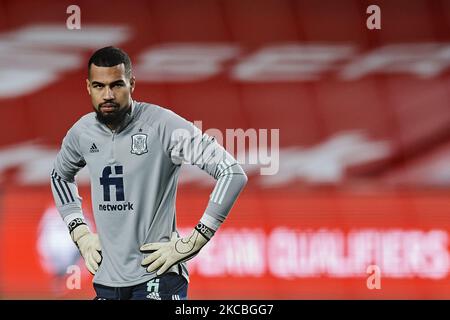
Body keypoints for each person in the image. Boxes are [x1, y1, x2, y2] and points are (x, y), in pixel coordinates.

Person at [50, 46, 247, 300]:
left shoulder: (162, 125)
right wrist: (80, 233)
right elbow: (59, 176)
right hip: (107, 279)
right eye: (99, 86)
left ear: (132, 84)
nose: (108, 95)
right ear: (88, 87)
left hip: (157, 277)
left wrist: (195, 241)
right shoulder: (82, 132)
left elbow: (231, 173)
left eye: (117, 85)